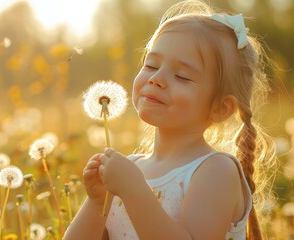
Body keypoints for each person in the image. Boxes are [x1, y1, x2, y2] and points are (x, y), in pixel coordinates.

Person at [63, 0, 277, 239]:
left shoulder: (215, 171)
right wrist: (97, 201)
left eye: (182, 76)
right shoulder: (130, 169)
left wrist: (134, 191)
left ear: (220, 107)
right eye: (151, 64)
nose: (156, 78)